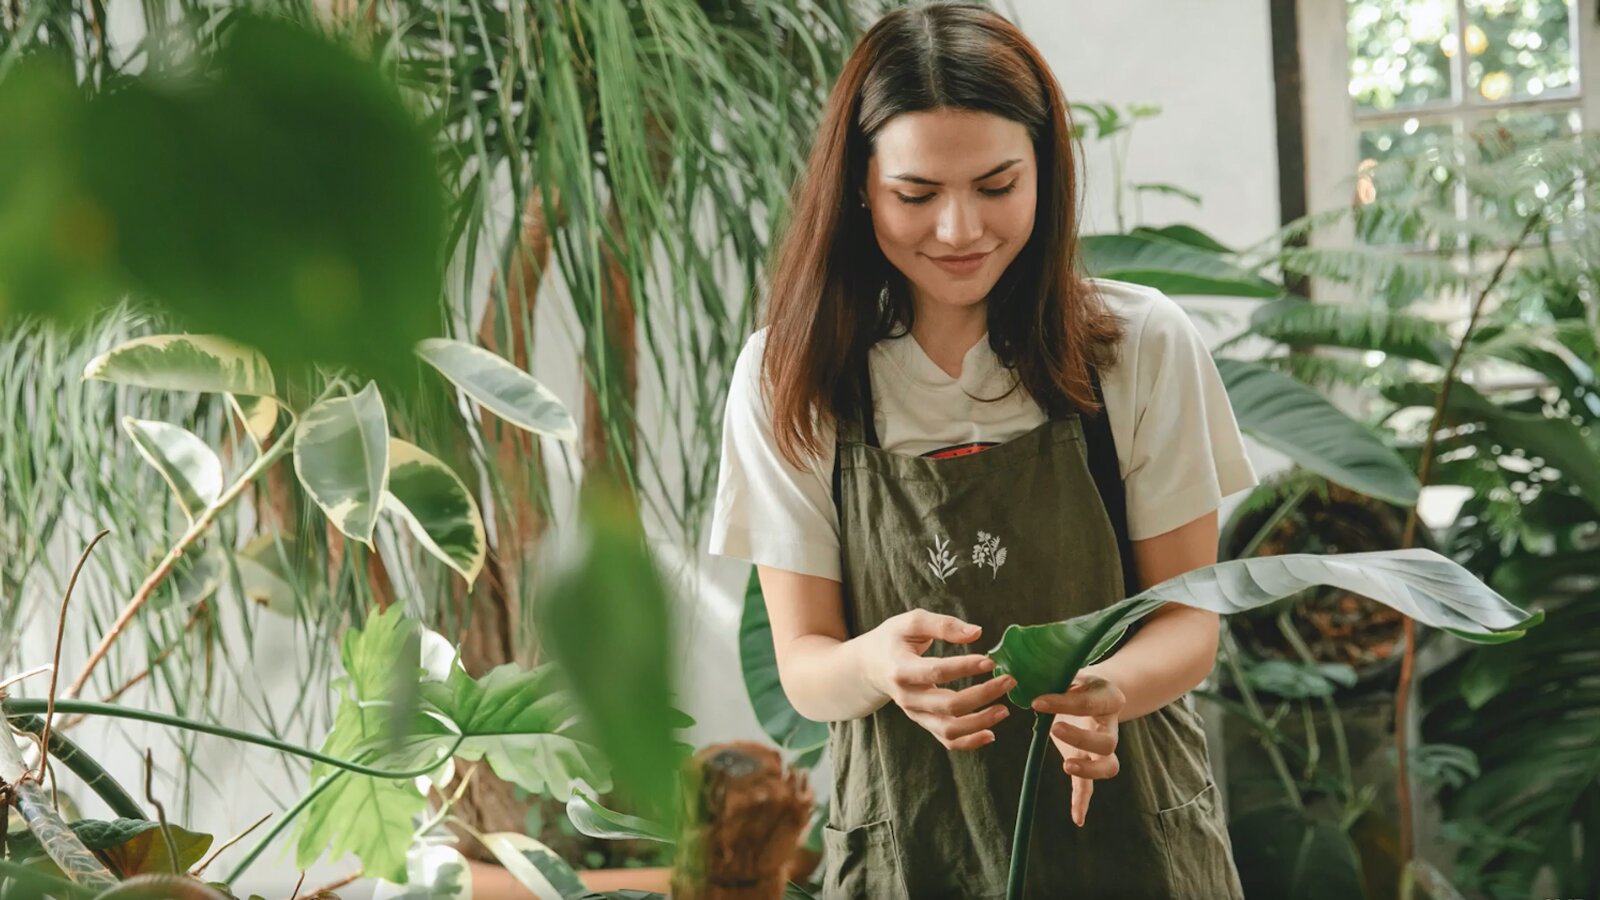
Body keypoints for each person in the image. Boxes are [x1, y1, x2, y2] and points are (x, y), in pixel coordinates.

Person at [709, 3, 1256, 896]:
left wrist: (1110, 691)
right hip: (909, 846)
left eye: (998, 186)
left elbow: (1190, 620)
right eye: (916, 195)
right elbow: (805, 664)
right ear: (859, 186)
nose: (960, 230)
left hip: (1130, 840)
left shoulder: (1140, 345)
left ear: (1046, 171)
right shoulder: (791, 373)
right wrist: (874, 664)